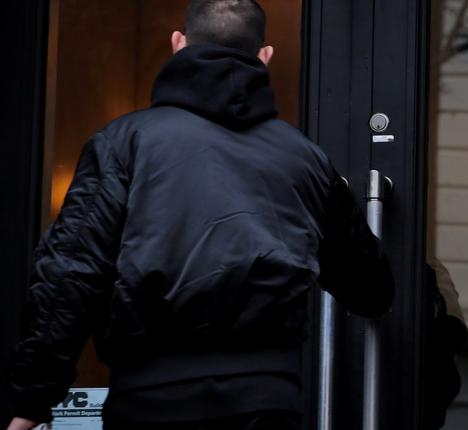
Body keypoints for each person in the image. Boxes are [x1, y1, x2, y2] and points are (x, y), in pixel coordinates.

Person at [5, 0, 394, 429]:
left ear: (178, 44)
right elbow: (372, 289)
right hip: (265, 402)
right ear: (264, 56)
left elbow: (71, 275)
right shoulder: (305, 159)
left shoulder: (124, 142)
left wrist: (32, 399)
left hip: (150, 401)